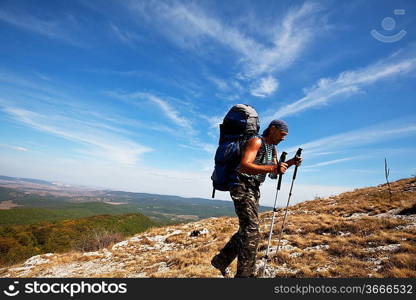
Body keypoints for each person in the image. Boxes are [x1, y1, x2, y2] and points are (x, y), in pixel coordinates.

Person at [211, 119, 302, 278]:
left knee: (247, 228)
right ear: (272, 129)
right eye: (282, 134)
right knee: (251, 230)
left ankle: (221, 260)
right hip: (240, 185)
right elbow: (244, 165)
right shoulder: (256, 141)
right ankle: (245, 275)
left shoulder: (272, 149)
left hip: (253, 188)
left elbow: (274, 173)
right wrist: (274, 167)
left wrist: (290, 163)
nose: (283, 138)